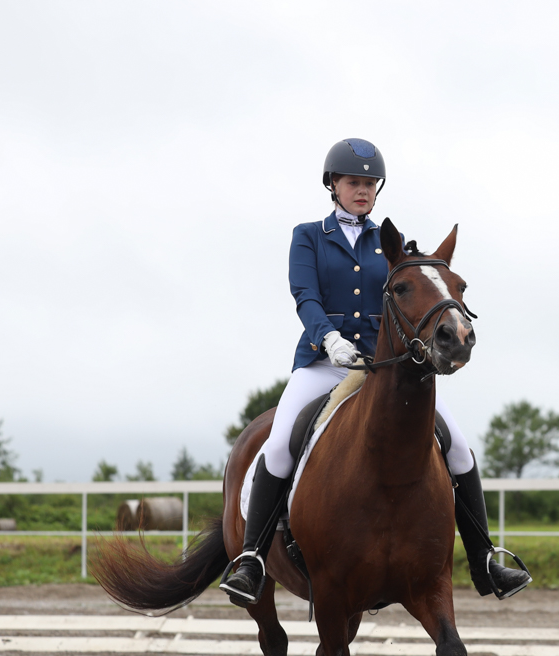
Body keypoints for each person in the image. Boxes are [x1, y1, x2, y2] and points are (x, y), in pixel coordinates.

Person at [219, 138, 531, 607]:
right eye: (353, 183)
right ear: (334, 186)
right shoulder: (308, 236)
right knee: (280, 444)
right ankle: (252, 560)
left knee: (460, 447)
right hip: (324, 363)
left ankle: (486, 558)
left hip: (383, 366)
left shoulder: (390, 243)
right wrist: (329, 338)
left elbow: (415, 289)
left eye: (369, 184)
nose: (362, 191)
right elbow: (304, 295)